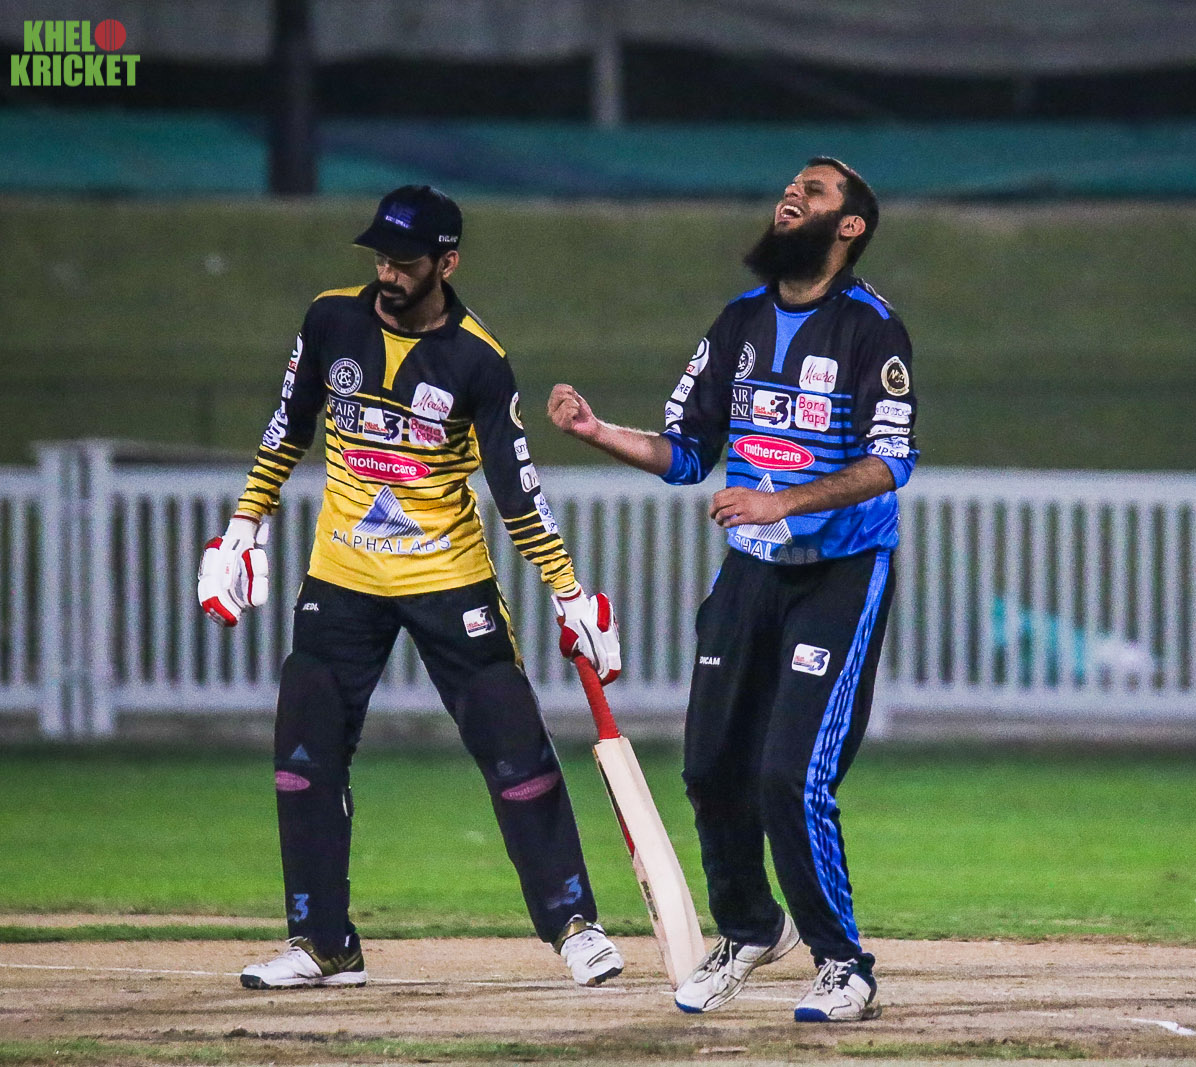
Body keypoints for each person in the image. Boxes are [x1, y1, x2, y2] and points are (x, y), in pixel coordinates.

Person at [198, 185, 625, 991]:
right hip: (342, 574)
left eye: (403, 261)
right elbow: (287, 427)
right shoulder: (331, 320)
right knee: (303, 754)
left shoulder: (478, 359)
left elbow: (516, 487)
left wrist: (568, 591)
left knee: (515, 749)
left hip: (448, 575)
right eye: (380, 258)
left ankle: (575, 925)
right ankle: (322, 942)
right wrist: (243, 526)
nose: (387, 273)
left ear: (446, 263)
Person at [547, 158, 916, 1023]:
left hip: (840, 574)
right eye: (792, 186)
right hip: (749, 571)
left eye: (815, 191)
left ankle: (845, 964)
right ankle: (751, 928)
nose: (792, 194)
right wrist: (596, 431)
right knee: (711, 767)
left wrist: (783, 500)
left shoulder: (872, 329)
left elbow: (891, 461)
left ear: (850, 227)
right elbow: (686, 453)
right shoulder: (739, 322)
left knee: (790, 775)